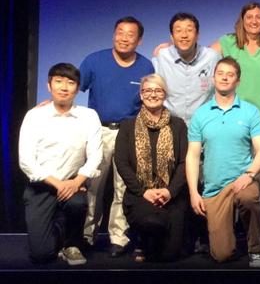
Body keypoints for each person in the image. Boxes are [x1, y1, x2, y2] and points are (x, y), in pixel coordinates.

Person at [80, 16, 154, 257]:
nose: (124, 38)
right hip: (98, 131)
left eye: (130, 34)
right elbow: (73, 87)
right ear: (114, 35)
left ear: (139, 40)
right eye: (120, 32)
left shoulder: (145, 67)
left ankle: (118, 238)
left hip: (128, 132)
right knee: (93, 186)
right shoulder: (94, 61)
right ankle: (87, 235)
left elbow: (150, 100)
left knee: (123, 188)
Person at [186, 57, 260, 267]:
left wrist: (249, 175)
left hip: (243, 180)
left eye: (230, 74)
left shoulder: (250, 111)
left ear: (237, 81)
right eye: (220, 73)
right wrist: (194, 193)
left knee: (249, 198)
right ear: (213, 78)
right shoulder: (201, 114)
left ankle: (256, 249)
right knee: (221, 255)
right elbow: (193, 155)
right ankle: (228, 243)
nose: (224, 77)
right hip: (214, 188)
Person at [19, 63, 102, 265]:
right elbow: (26, 160)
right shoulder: (35, 116)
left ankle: (72, 244)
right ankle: (57, 229)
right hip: (42, 186)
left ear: (77, 88)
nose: (64, 87)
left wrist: (76, 182)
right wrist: (59, 184)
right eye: (58, 82)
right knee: (41, 254)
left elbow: (95, 156)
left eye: (70, 83)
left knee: (77, 204)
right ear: (49, 86)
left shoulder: (88, 116)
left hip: (73, 185)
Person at [114, 74, 188, 262]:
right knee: (151, 223)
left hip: (172, 196)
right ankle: (141, 239)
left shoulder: (178, 125)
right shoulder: (128, 126)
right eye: (147, 90)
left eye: (158, 90)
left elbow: (184, 163)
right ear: (141, 95)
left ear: (165, 94)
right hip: (140, 195)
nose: (152, 95)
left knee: (170, 255)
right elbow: (122, 163)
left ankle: (153, 243)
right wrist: (143, 191)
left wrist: (170, 191)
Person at [211, 2, 260, 177]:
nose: (254, 21)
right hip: (233, 122)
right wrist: (171, 48)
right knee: (233, 177)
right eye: (249, 17)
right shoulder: (227, 42)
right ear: (242, 20)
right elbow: (201, 58)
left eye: (258, 17)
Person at [153, 12, 221, 126]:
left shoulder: (212, 57)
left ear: (197, 35)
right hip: (169, 126)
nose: (184, 35)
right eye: (178, 31)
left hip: (204, 126)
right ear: (172, 37)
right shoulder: (161, 57)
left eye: (189, 30)